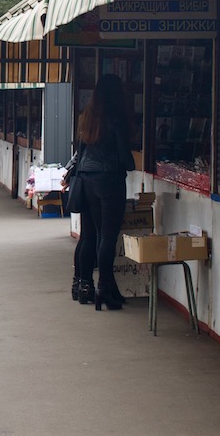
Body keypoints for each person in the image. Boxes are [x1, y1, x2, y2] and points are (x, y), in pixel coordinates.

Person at [74, 73, 135, 311]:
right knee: (108, 236)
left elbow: (80, 151)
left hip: (87, 179)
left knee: (91, 235)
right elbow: (124, 157)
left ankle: (86, 286)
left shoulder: (86, 117)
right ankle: (104, 289)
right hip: (110, 180)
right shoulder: (116, 118)